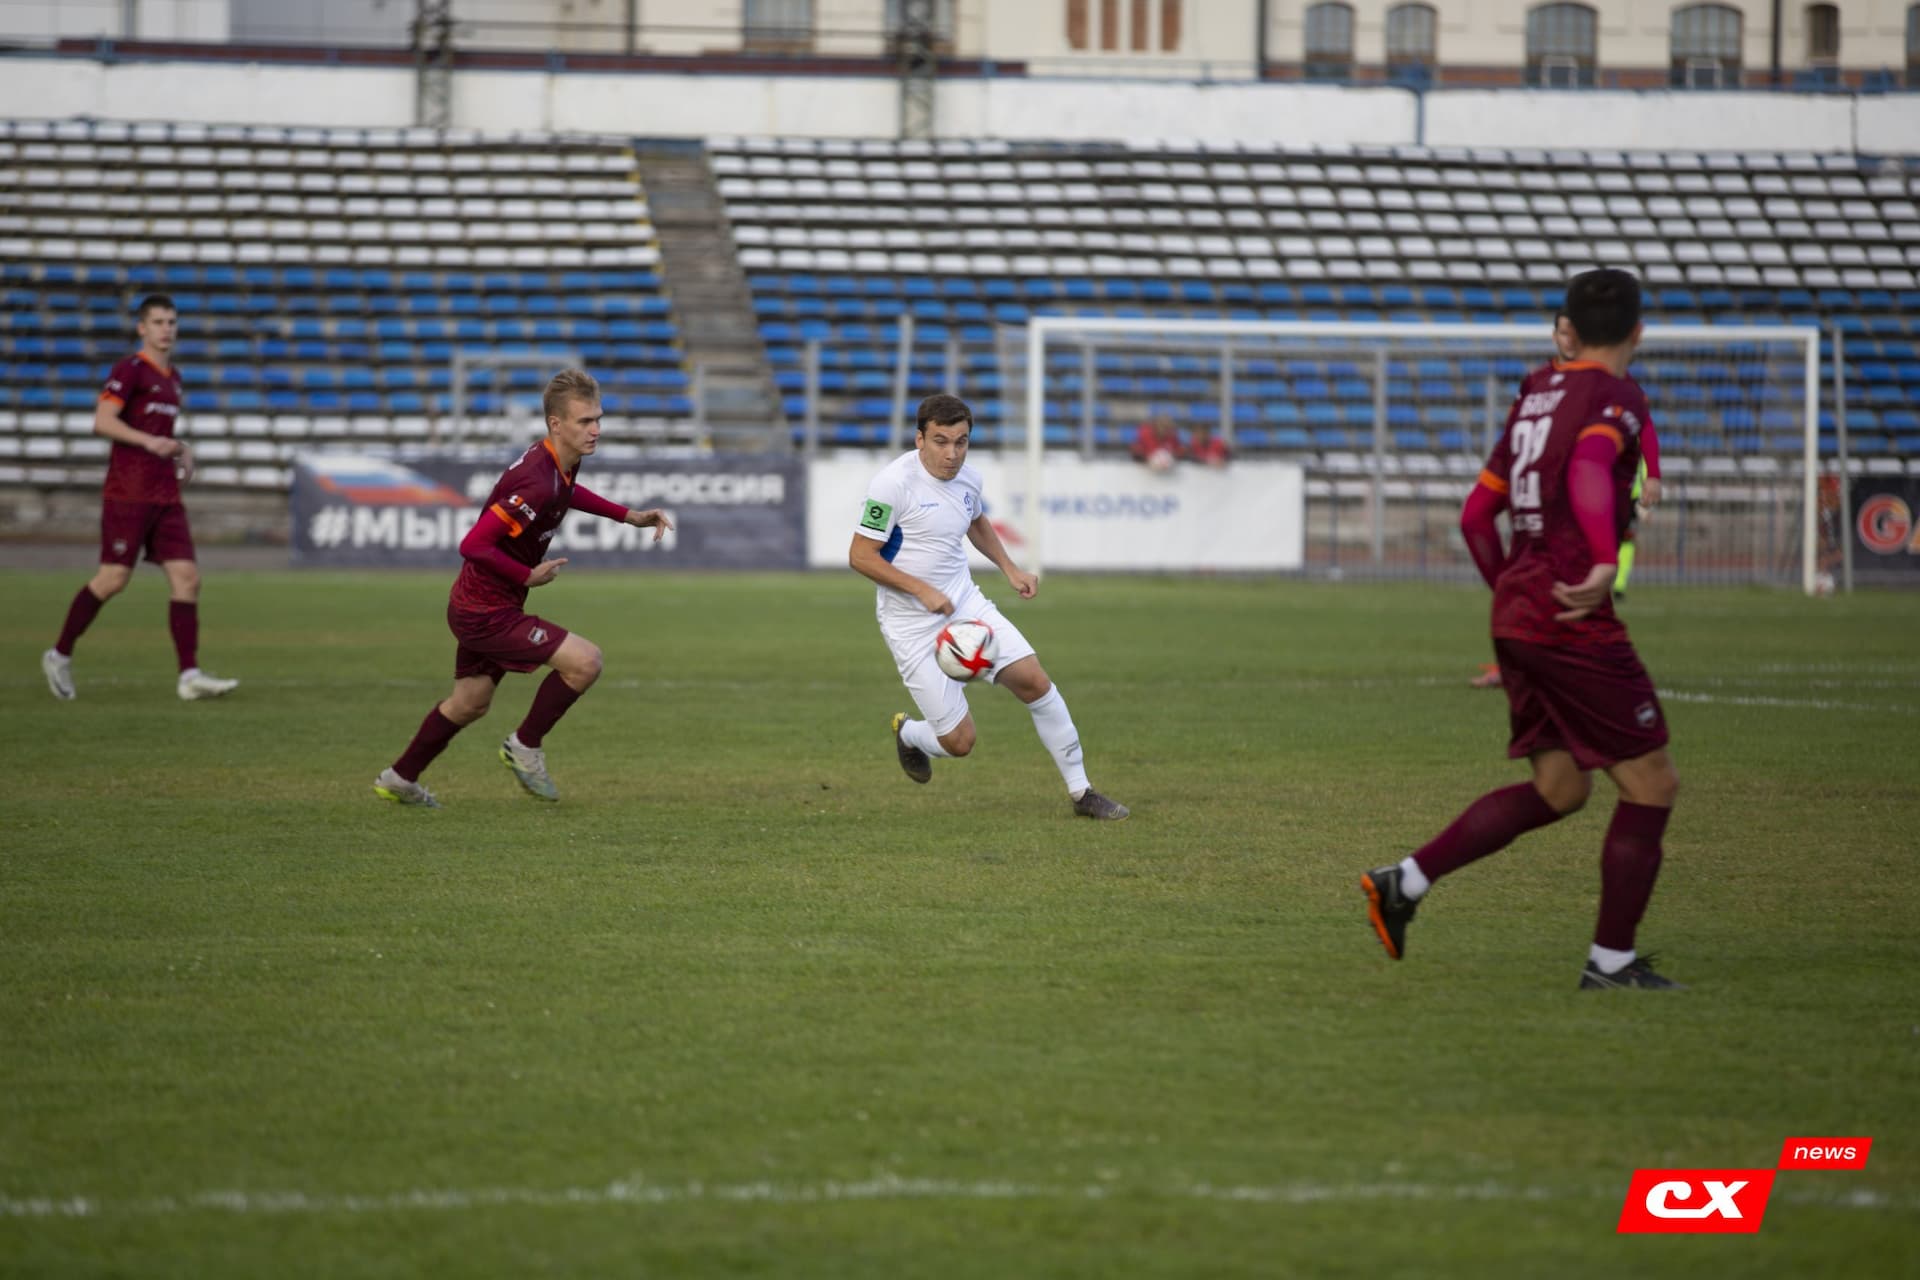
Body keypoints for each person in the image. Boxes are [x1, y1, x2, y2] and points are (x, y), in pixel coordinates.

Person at [1364, 269, 1683, 990]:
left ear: (1566, 323)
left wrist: (1512, 592)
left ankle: (1403, 883)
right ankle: (1610, 965)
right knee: (1651, 783)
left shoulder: (1537, 394)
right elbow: (1594, 467)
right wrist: (1605, 558)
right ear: (1639, 332)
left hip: (1519, 612)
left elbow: (1477, 516)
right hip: (1571, 612)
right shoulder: (1614, 397)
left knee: (1561, 787)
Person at [372, 369, 672, 807]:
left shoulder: (558, 463)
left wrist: (629, 516)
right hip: (486, 609)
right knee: (586, 662)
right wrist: (525, 575)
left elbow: (568, 494)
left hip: (482, 603)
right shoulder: (536, 479)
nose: (595, 430)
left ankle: (399, 778)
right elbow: (472, 543)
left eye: (598, 419)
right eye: (585, 421)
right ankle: (524, 745)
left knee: (469, 703)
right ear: (555, 424)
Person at [851, 393, 1128, 820]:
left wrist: (1009, 568)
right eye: (941, 441)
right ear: (919, 438)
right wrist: (920, 590)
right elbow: (860, 555)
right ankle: (909, 733)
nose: (952, 453)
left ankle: (1082, 792)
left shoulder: (968, 479)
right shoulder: (892, 485)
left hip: (964, 604)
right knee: (959, 742)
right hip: (910, 623)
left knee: (1035, 681)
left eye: (961, 442)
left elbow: (975, 520)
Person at [41, 295, 239, 702]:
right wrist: (150, 441)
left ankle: (190, 675)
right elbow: (103, 421)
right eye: (158, 321)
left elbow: (159, 434)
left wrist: (179, 448)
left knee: (188, 578)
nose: (167, 328)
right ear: (142, 328)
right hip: (128, 494)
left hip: (164, 494)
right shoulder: (129, 370)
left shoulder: (174, 378)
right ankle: (59, 654)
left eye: (171, 321)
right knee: (114, 579)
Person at [1470, 313, 1663, 688]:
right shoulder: (1541, 385)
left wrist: (1651, 472)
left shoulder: (1593, 386)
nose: (1570, 340)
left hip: (1563, 536)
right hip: (1565, 536)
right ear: (1555, 335)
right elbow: (1585, 465)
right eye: (1563, 332)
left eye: (1576, 331)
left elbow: (1642, 429)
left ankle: (1525, 663)